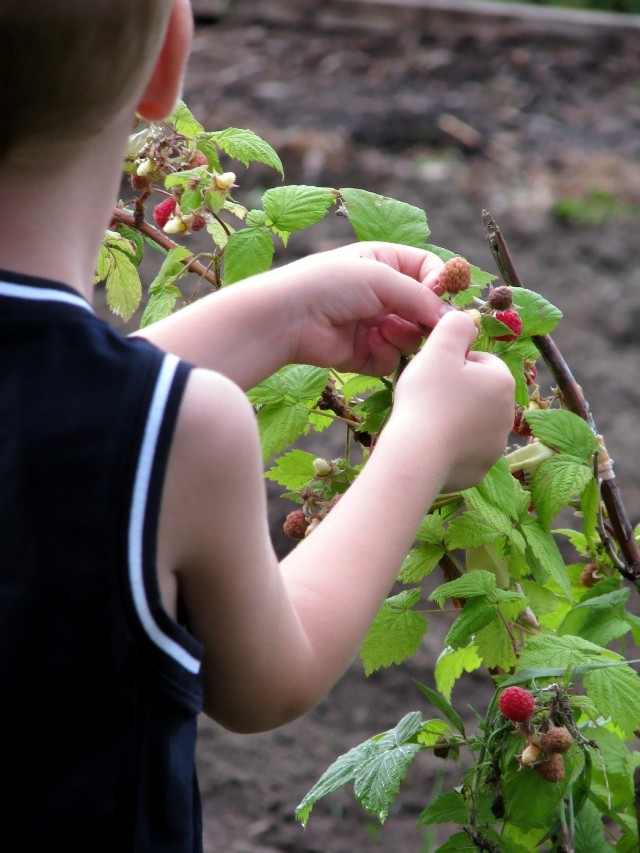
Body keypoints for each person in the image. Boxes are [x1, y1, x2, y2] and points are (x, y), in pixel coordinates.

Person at [0, 0, 515, 848]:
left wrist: (278, 320)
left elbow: (45, 419)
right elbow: (269, 679)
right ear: (172, 54)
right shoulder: (185, 435)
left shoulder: (154, 431)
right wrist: (423, 439)